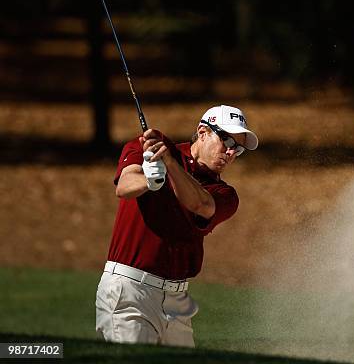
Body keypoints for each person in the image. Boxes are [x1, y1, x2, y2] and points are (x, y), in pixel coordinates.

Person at [95, 105, 258, 347]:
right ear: (203, 132)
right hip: (130, 290)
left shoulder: (224, 194)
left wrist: (169, 165)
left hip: (178, 301)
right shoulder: (153, 146)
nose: (231, 152)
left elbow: (200, 204)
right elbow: (124, 186)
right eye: (226, 140)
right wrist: (149, 181)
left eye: (239, 148)